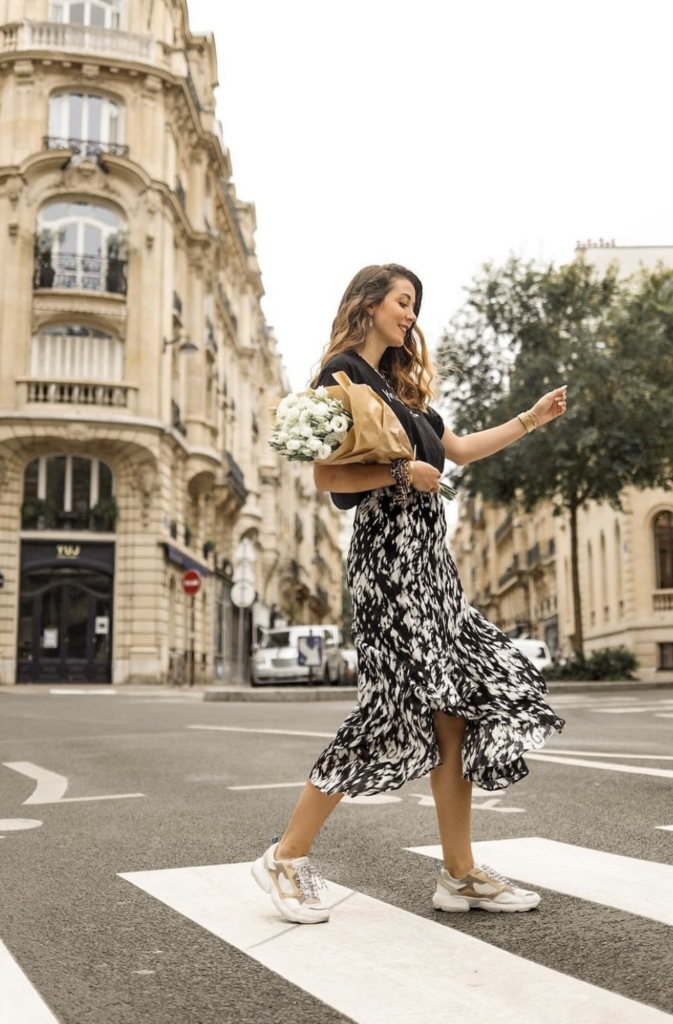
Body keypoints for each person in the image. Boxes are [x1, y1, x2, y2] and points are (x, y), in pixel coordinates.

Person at [252, 263, 566, 924]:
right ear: (368, 303)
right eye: (402, 301)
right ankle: (286, 855)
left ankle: (460, 875)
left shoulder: (405, 395)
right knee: (393, 708)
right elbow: (326, 480)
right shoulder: (340, 375)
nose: (410, 314)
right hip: (389, 562)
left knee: (454, 714)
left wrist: (529, 420)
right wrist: (399, 469)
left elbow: (461, 448)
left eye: (415, 304)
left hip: (431, 567)